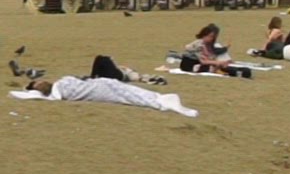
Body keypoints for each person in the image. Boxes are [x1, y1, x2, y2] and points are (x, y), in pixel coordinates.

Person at [27, 75, 197, 117]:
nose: (40, 83)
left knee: (129, 90)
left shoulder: (62, 80)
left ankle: (158, 98)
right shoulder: (57, 93)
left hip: (100, 83)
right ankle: (159, 102)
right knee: (128, 95)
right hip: (99, 90)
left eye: (39, 81)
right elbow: (56, 97)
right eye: (37, 85)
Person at [181, 24, 249, 77]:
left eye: (213, 37)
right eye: (210, 36)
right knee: (212, 66)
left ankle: (237, 71)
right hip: (188, 65)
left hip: (196, 63)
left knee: (216, 65)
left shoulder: (204, 44)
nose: (212, 39)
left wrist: (221, 62)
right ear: (204, 35)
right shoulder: (199, 44)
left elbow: (207, 56)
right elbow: (203, 61)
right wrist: (218, 63)